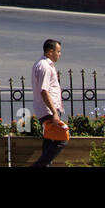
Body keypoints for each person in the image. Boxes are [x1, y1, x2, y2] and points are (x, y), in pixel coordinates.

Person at [31, 39, 67, 167]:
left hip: (46, 111)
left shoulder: (41, 64)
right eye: (58, 51)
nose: (60, 54)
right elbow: (44, 91)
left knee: (49, 142)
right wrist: (54, 112)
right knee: (62, 139)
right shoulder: (45, 67)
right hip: (48, 111)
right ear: (50, 52)